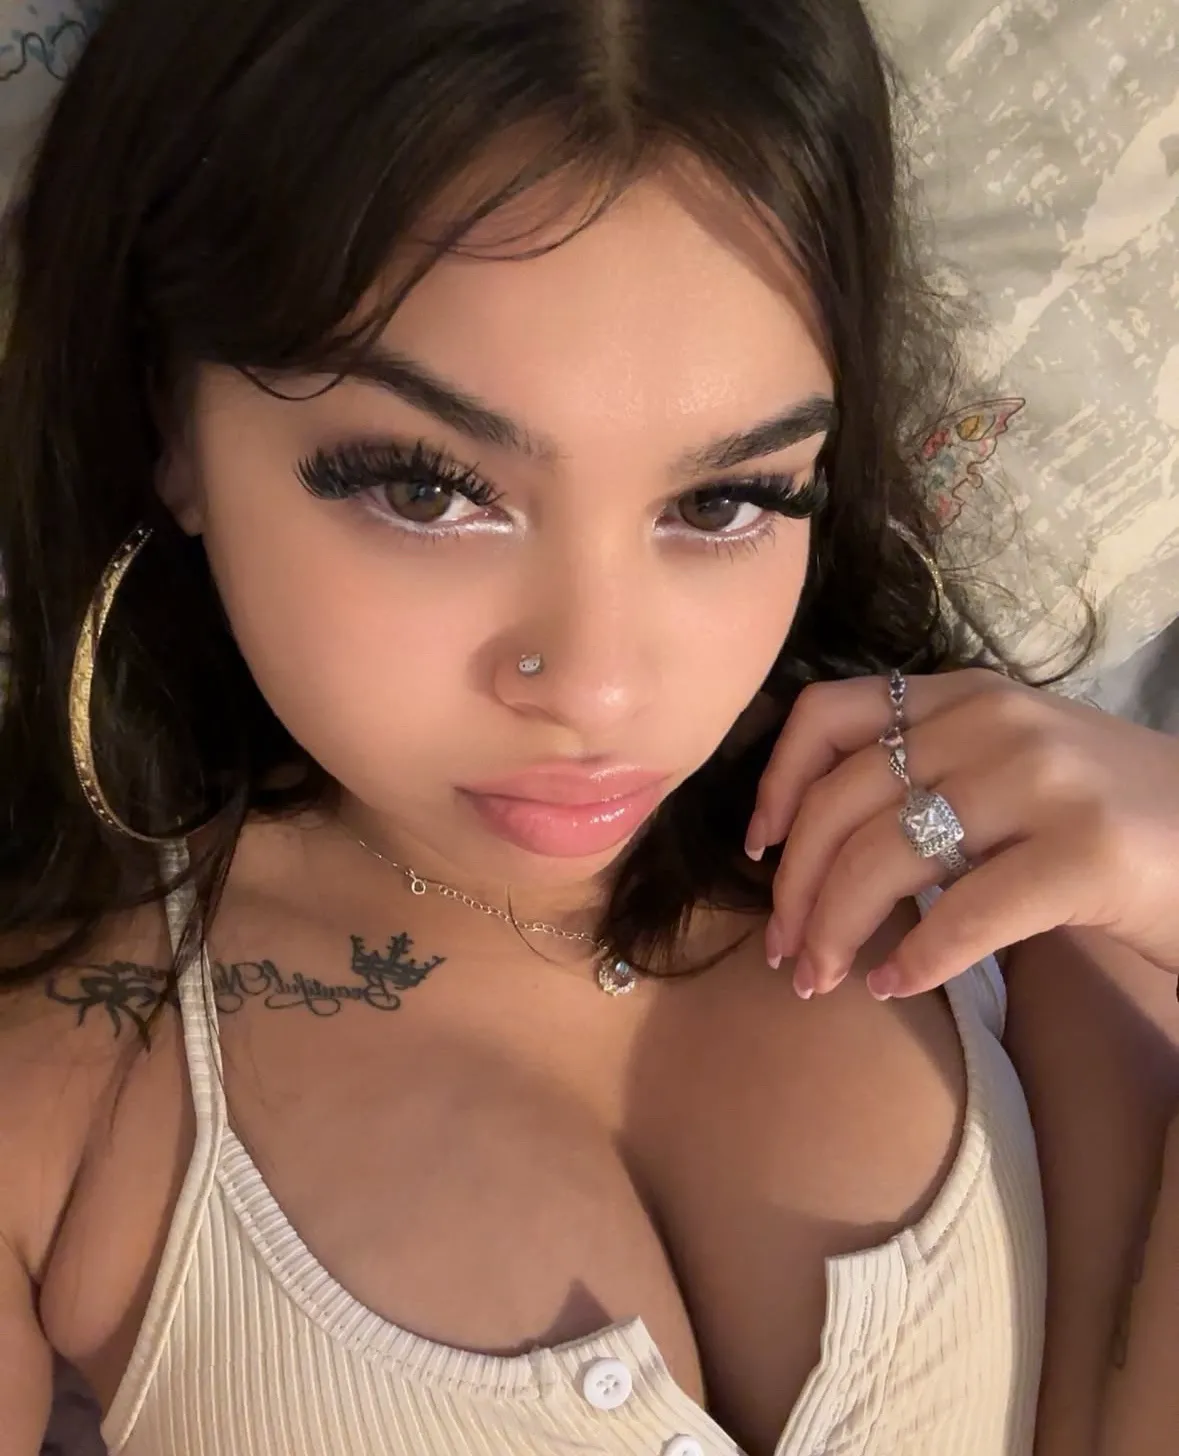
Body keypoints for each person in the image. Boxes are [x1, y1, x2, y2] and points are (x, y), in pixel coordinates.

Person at [0, 3, 1175, 1455]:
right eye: (426, 489)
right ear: (168, 422)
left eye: (726, 500)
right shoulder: (65, 1071)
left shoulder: (996, 884)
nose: (601, 690)